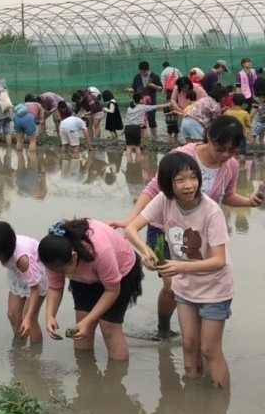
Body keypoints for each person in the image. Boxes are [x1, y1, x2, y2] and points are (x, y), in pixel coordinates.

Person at [109, 116, 262, 337]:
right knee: (172, 286)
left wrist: (249, 201)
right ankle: (163, 328)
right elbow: (154, 190)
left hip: (200, 234)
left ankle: (200, 327)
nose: (226, 155)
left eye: (232, 150)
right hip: (166, 229)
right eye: (221, 148)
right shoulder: (183, 156)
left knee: (199, 278)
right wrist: (131, 220)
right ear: (208, 137)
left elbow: (226, 196)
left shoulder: (229, 166)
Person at [124, 153, 233, 388]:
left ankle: (218, 407)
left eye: (193, 177)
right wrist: (146, 251)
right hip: (185, 287)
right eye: (180, 179)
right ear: (167, 183)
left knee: (209, 349)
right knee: (188, 344)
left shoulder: (211, 211)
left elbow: (219, 261)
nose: (189, 185)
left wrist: (179, 266)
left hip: (215, 289)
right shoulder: (164, 200)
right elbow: (131, 228)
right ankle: (192, 400)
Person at [39, 218, 143, 361]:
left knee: (109, 327)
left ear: (74, 256)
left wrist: (88, 322)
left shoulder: (100, 251)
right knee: (80, 325)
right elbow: (55, 287)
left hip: (120, 273)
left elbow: (112, 290)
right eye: (54, 271)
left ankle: (116, 378)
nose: (59, 274)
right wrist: (50, 316)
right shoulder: (52, 256)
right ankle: (85, 375)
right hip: (83, 276)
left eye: (62, 271)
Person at [0, 220, 48, 343]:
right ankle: (19, 344)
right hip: (18, 274)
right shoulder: (2, 245)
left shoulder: (22, 259)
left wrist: (28, 318)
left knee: (29, 318)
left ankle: (35, 353)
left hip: (35, 276)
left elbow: (35, 289)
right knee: (13, 314)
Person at [127, 61, 163, 138]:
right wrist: (130, 90)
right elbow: (134, 87)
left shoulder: (154, 76)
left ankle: (154, 137)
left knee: (151, 119)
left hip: (150, 101)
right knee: (140, 119)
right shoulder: (137, 77)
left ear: (148, 69)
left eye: (144, 72)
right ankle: (143, 137)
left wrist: (153, 86)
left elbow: (160, 88)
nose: (142, 73)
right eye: (141, 72)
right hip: (139, 102)